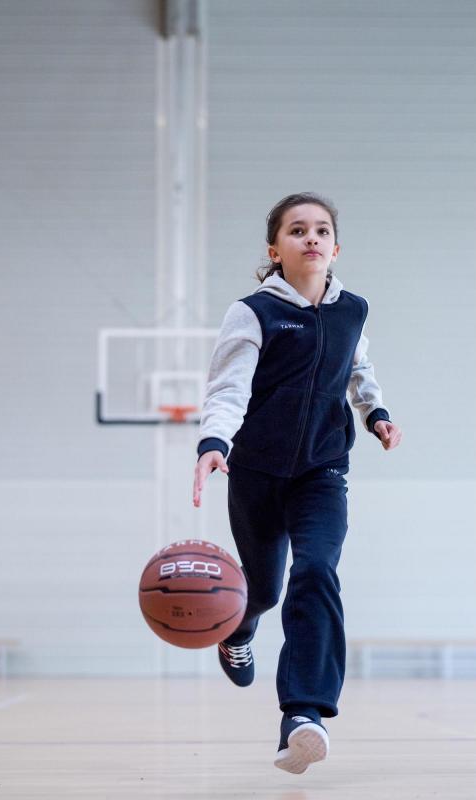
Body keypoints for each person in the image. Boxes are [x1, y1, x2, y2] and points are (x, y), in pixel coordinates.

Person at [192, 192, 402, 774]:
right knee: (262, 589)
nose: (311, 238)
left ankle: (303, 715)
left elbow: (357, 367)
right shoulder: (253, 312)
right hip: (257, 471)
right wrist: (214, 443)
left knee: (316, 571)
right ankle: (239, 629)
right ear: (274, 249)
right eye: (297, 230)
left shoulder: (352, 309)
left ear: (336, 248)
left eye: (321, 230)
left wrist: (375, 413)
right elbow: (229, 387)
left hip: (322, 469)